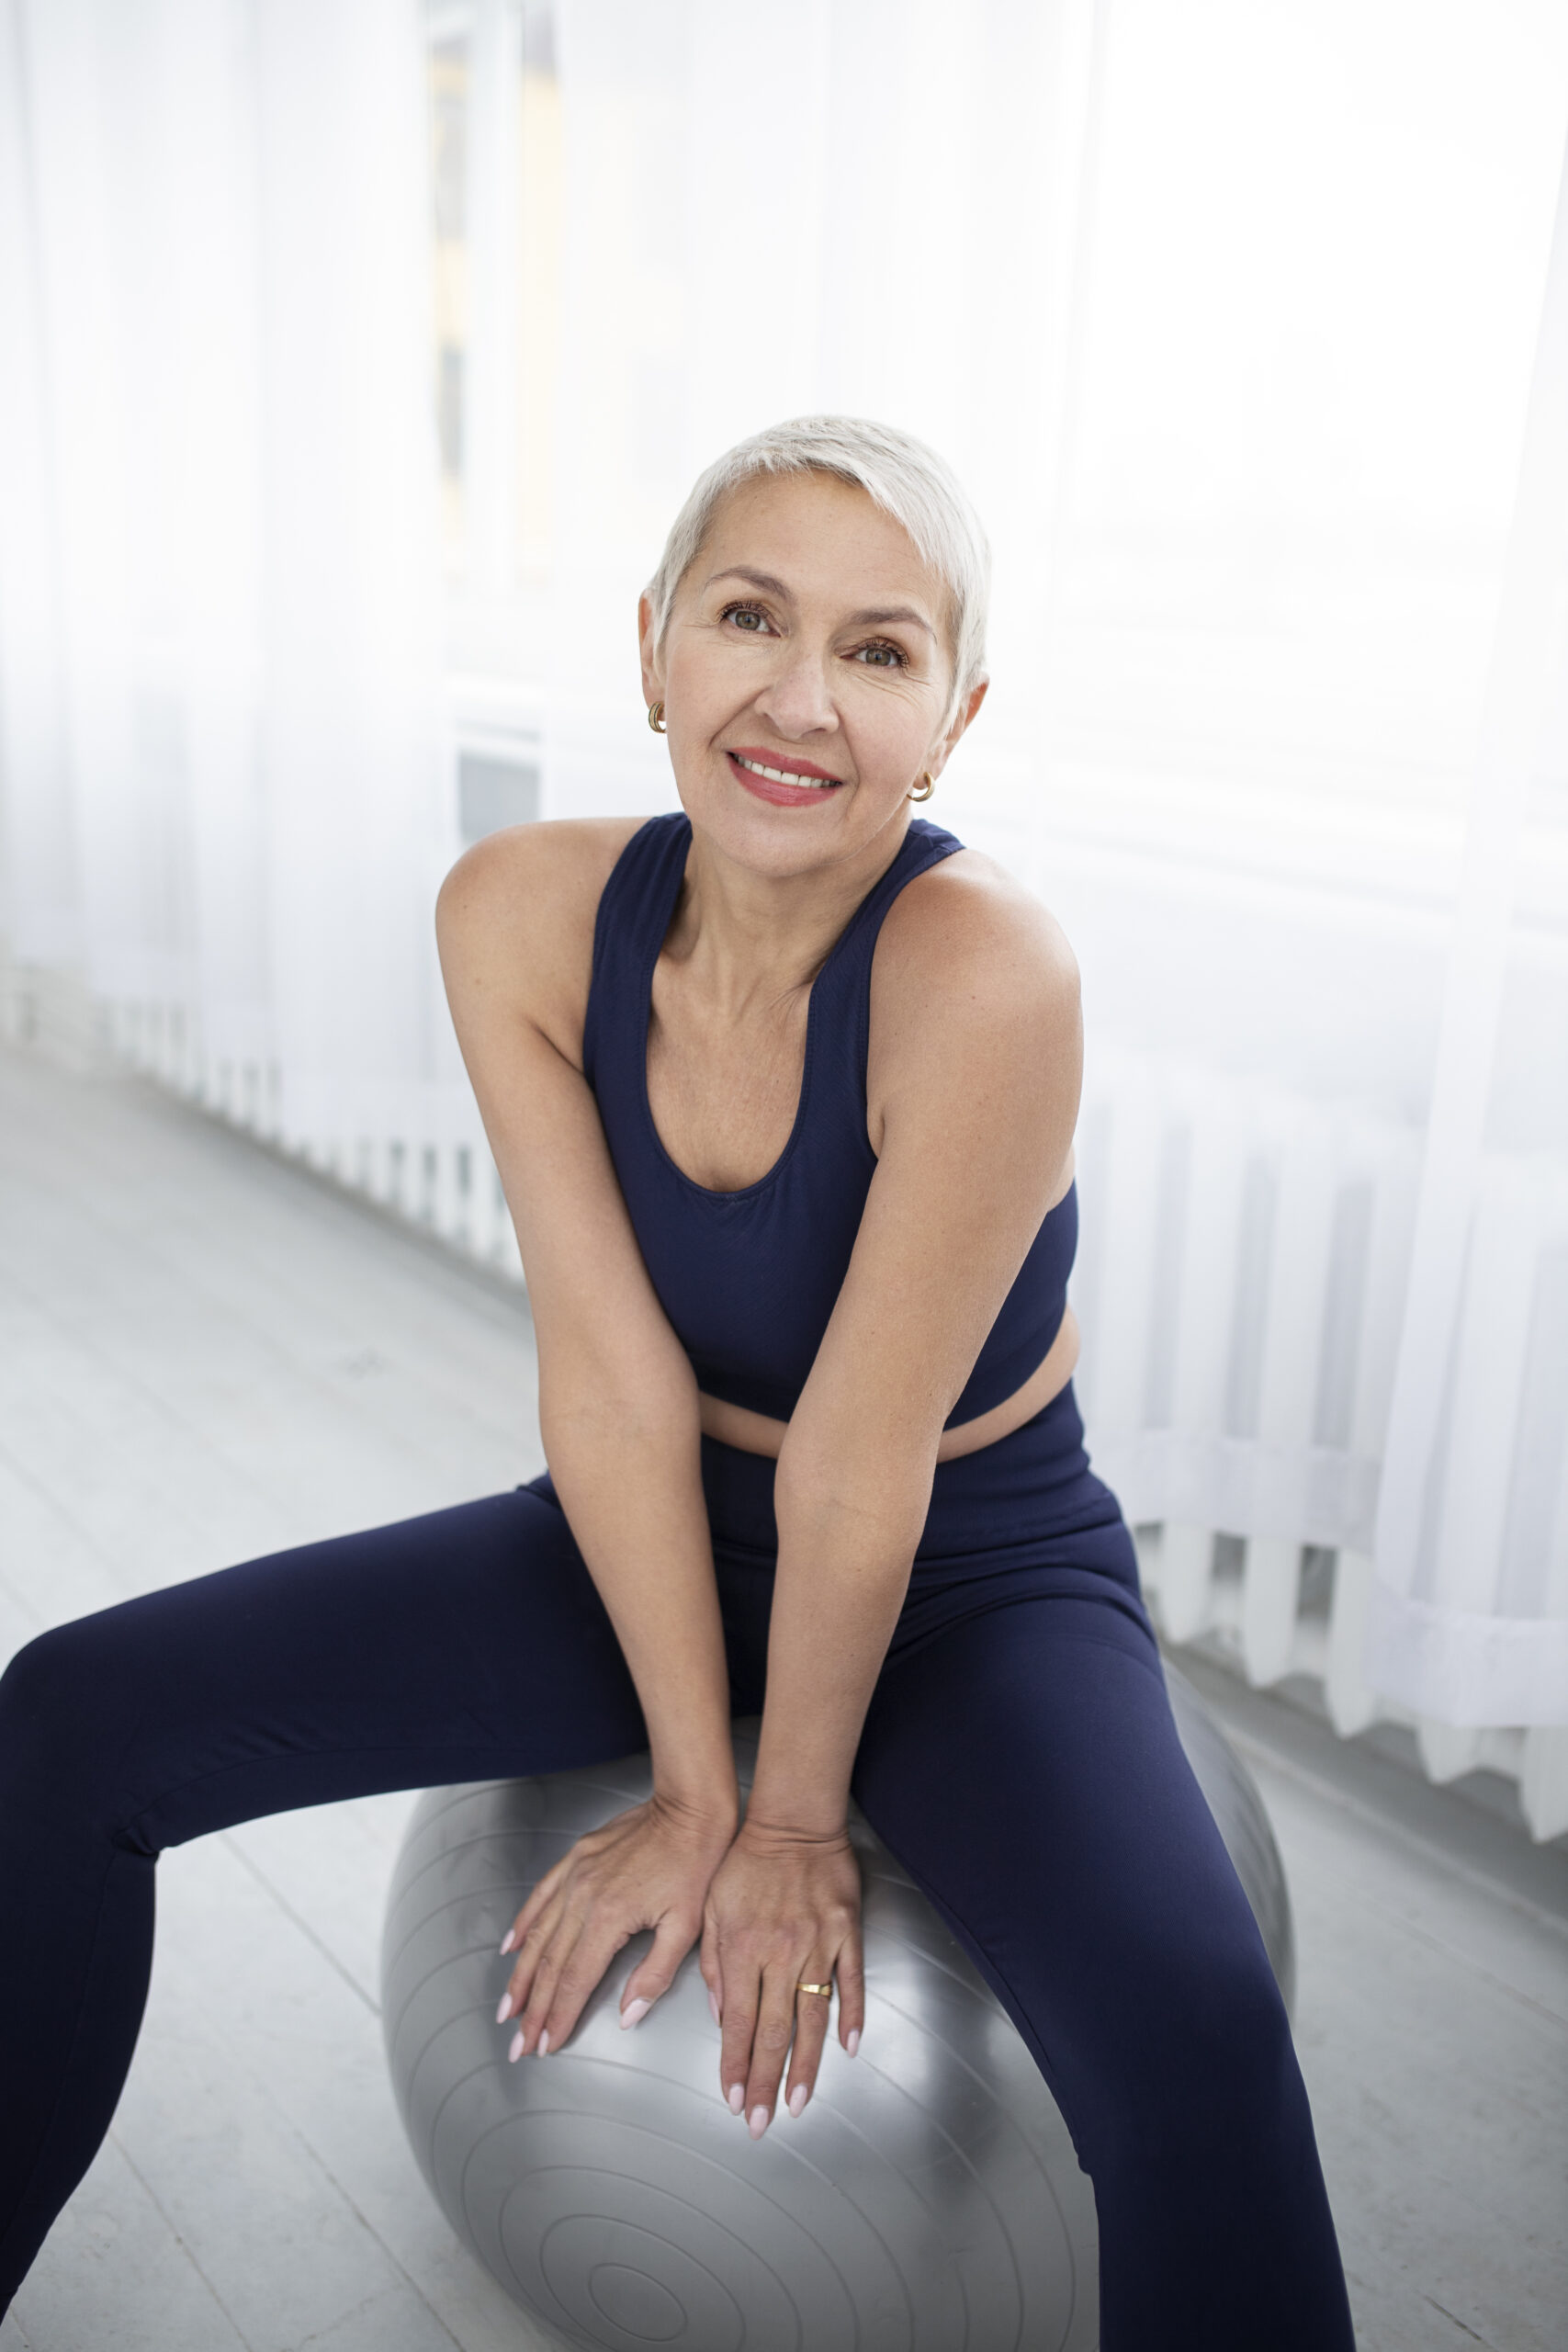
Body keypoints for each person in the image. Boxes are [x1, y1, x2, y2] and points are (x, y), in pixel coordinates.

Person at [0, 416, 1354, 2347]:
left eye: (878, 651)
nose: (800, 697)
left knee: (1198, 2034)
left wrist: (784, 1825)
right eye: (748, 617)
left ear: (953, 716)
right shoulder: (518, 915)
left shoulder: (987, 974)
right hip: (639, 1526)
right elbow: (613, 1384)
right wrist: (690, 1776)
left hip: (966, 1575)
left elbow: (861, 1470)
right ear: (652, 649)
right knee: (68, 1721)